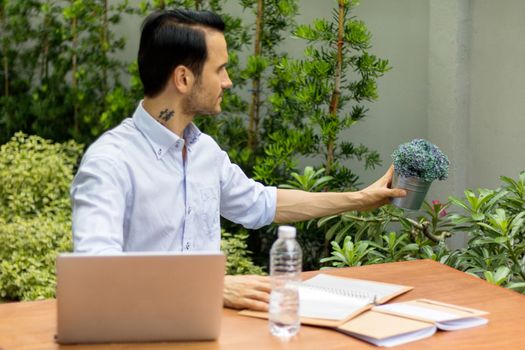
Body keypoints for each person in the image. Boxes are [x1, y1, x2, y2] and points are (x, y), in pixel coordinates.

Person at [70, 9, 406, 312]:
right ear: (184, 79)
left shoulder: (205, 153)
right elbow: (96, 271)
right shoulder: (110, 162)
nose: (228, 82)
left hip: (207, 328)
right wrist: (206, 288)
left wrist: (359, 200)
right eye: (221, 69)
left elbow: (261, 203)